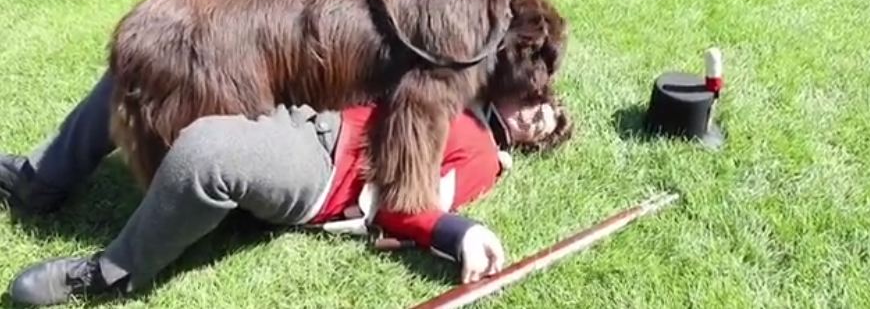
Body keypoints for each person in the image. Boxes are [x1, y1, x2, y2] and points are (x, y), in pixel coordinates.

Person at [0, 71, 572, 306]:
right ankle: (39, 181)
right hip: (294, 103)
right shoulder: (454, 77)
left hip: (320, 162)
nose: (533, 115)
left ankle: (110, 273)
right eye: (537, 103)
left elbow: (410, 206)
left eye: (541, 124)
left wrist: (459, 231)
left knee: (207, 152)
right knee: (147, 68)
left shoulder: (482, 152)